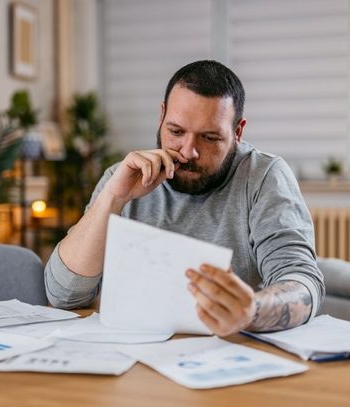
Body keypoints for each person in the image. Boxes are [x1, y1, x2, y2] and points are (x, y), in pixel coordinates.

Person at [45, 60, 324, 336]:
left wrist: (252, 310)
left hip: (224, 357)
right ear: (162, 116)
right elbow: (63, 296)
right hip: (132, 351)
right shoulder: (123, 177)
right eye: (176, 132)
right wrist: (114, 198)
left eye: (210, 138)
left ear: (238, 132)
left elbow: (302, 283)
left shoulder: (263, 177)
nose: (188, 151)